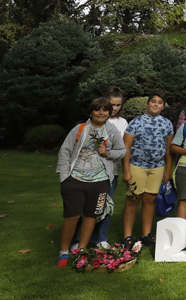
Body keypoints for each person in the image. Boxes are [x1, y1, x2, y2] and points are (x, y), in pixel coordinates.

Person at [56, 98, 126, 268]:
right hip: (75, 179)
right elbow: (65, 151)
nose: (101, 113)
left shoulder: (111, 130)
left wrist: (107, 153)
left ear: (109, 113)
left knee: (91, 215)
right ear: (90, 112)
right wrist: (64, 177)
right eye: (97, 110)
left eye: (105, 110)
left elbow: (122, 151)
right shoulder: (80, 129)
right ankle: (63, 252)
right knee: (72, 216)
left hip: (100, 180)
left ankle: (81, 250)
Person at [122, 92, 174, 247]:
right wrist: (126, 170)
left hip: (157, 167)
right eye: (153, 101)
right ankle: (127, 236)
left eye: (160, 102)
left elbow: (168, 149)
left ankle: (146, 234)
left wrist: (167, 170)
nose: (156, 104)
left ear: (163, 106)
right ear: (147, 103)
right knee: (133, 199)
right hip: (137, 166)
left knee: (150, 199)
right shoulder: (136, 123)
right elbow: (126, 147)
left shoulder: (167, 124)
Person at [81, 86, 129, 248]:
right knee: (87, 204)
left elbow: (121, 148)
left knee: (106, 202)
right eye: (112, 104)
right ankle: (81, 239)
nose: (114, 109)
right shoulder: (95, 119)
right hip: (90, 170)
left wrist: (108, 152)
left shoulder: (122, 123)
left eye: (118, 105)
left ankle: (100, 238)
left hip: (111, 170)